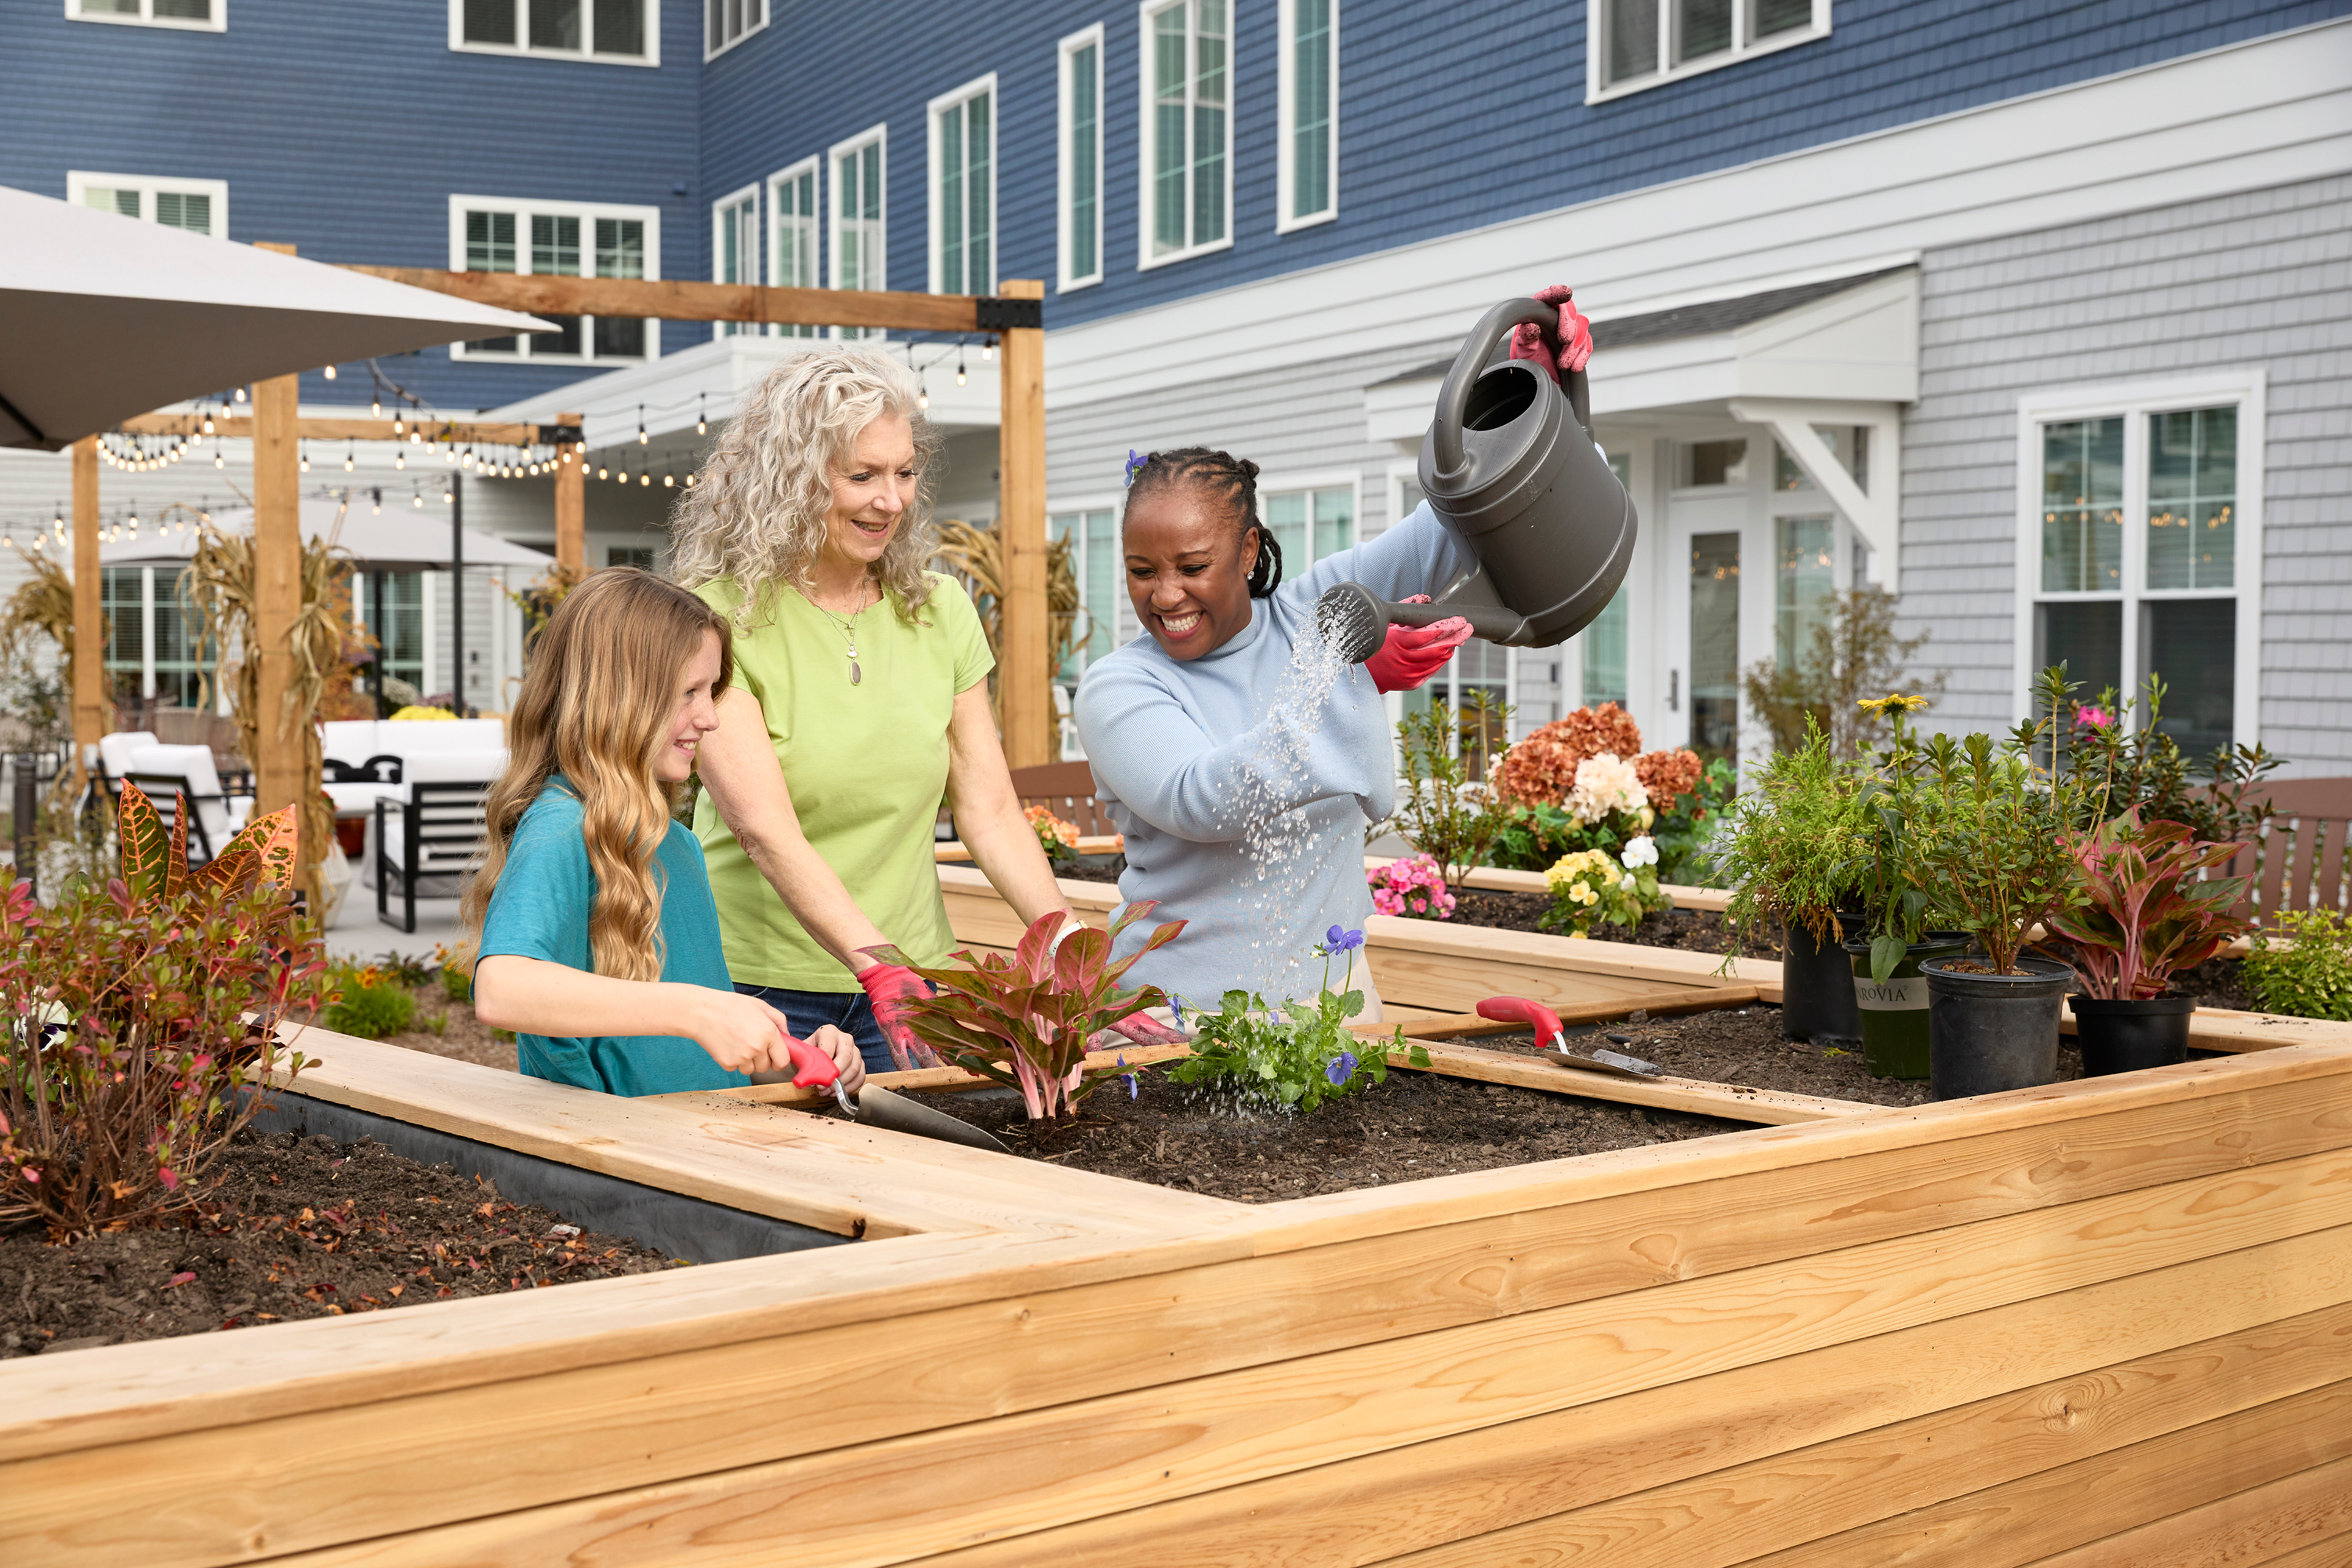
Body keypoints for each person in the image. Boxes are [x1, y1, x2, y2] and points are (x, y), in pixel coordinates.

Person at [673, 347, 1086, 1073]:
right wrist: (878, 964)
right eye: (861, 475)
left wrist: (1071, 951)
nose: (890, 500)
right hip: (764, 984)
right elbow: (767, 833)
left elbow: (988, 811)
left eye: (903, 473)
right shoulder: (718, 618)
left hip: (915, 981)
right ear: (791, 480)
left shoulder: (941, 612)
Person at [1073, 448, 1478, 1019]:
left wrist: (1530, 387)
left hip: (1336, 1002)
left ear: (1247, 551)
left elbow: (1467, 519)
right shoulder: (1118, 686)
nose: (1166, 596)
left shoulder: (1313, 617)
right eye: (1143, 572)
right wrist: (1351, 677)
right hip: (1177, 1019)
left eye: (1192, 568)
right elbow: (1202, 800)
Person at [463, 568, 865, 1099]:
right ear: (616, 695)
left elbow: (693, 1062)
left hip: (699, 1147)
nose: (710, 718)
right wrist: (697, 1010)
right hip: (609, 1164)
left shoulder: (679, 845)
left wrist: (793, 1059)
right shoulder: (561, 826)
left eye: (712, 691)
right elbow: (501, 989)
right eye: (688, 692)